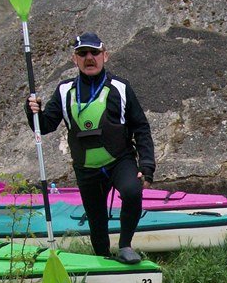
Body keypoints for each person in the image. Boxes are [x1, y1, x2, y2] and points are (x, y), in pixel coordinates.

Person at [26, 32, 155, 264]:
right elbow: (44, 126)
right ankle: (103, 260)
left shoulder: (120, 88)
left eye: (94, 52)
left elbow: (141, 127)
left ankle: (125, 245)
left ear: (105, 56)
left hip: (119, 161)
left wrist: (146, 165)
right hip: (86, 168)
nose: (89, 58)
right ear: (74, 59)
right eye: (82, 53)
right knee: (96, 221)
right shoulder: (64, 91)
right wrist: (32, 111)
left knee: (132, 191)